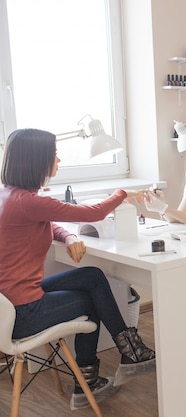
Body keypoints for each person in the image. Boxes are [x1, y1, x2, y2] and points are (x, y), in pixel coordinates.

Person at [0, 129, 156, 410]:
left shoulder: (11, 196)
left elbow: (48, 222)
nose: (58, 159)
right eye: (53, 154)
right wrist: (121, 194)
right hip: (23, 312)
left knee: (91, 276)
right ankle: (110, 367)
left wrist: (69, 236)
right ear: (36, 161)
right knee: (91, 298)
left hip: (11, 303)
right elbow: (92, 214)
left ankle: (122, 359)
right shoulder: (29, 202)